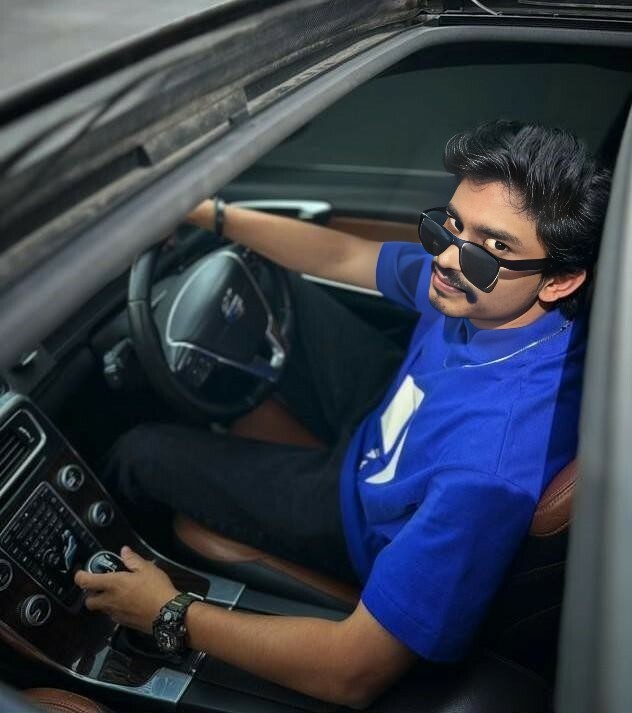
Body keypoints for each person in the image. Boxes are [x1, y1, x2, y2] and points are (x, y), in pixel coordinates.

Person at [75, 121, 611, 707]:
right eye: (450, 225)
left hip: (359, 512)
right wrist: (206, 213)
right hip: (388, 425)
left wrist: (165, 610)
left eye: (493, 248)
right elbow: (344, 254)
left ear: (560, 281)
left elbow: (352, 671)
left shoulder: (485, 475)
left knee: (141, 453)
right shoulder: (491, 297)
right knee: (277, 286)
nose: (447, 258)